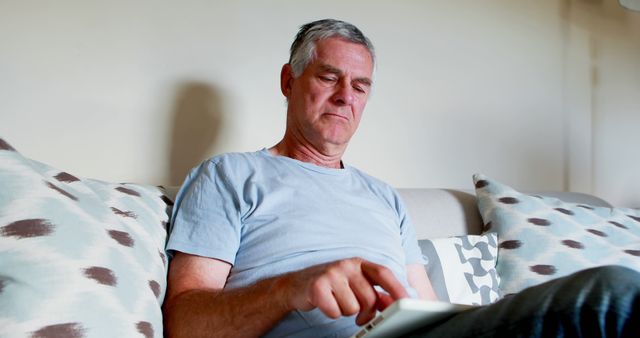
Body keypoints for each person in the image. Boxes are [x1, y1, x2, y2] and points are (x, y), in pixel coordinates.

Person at [163, 19, 640, 338]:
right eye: (329, 78)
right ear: (290, 80)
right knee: (613, 294)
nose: (345, 96)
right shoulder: (228, 175)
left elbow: (428, 307)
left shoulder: (382, 196)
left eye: (361, 85)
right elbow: (184, 321)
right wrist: (293, 287)